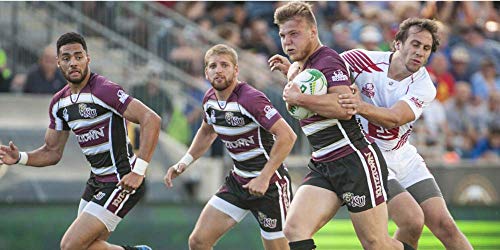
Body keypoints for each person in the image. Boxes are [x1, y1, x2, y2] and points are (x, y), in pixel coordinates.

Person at [268, 2, 410, 250]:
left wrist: (299, 97)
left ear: (313, 32)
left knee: (376, 244)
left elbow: (345, 108)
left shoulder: (328, 60)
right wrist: (290, 74)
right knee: (294, 229)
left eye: (294, 34)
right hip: (323, 162)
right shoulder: (301, 66)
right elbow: (311, 86)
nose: (287, 41)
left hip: (353, 160)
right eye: (282, 35)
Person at [0, 32, 160, 250]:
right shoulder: (59, 103)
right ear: (58, 63)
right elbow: (52, 151)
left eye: (78, 56)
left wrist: (139, 170)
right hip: (96, 182)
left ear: (88, 58)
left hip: (121, 180)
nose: (73, 62)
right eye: (66, 58)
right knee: (87, 247)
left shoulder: (104, 90)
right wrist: (19, 157)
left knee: (70, 246)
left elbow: (151, 119)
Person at [338, 18, 473, 249]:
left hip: (403, 155)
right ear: (397, 44)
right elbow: (323, 68)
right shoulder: (361, 59)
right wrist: (295, 68)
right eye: (415, 44)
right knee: (411, 220)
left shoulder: (424, 85)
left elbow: (394, 119)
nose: (420, 52)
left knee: (445, 225)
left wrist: (357, 105)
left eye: (426, 48)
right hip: (370, 157)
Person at [164, 44, 296, 250]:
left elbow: (287, 136)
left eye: (224, 65)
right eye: (213, 66)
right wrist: (184, 163)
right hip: (238, 182)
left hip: (270, 185)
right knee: (198, 242)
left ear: (236, 70)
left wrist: (263, 177)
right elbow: (207, 131)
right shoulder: (209, 99)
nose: (218, 70)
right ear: (206, 72)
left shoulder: (251, 98)